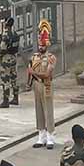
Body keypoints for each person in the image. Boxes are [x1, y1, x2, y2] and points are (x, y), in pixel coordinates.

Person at [28, 19, 56, 148]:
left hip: (46, 84)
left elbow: (47, 74)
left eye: (43, 46)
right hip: (37, 85)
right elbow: (30, 73)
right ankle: (41, 136)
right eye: (39, 45)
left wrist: (33, 72)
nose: (40, 47)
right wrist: (30, 81)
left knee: (48, 110)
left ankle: (50, 137)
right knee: (38, 110)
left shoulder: (51, 57)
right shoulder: (34, 57)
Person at [0, 16, 20, 108]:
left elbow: (3, 47)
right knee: (14, 78)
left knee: (5, 79)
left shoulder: (6, 34)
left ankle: (6, 100)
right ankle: (16, 97)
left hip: (6, 58)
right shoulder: (15, 34)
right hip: (13, 57)